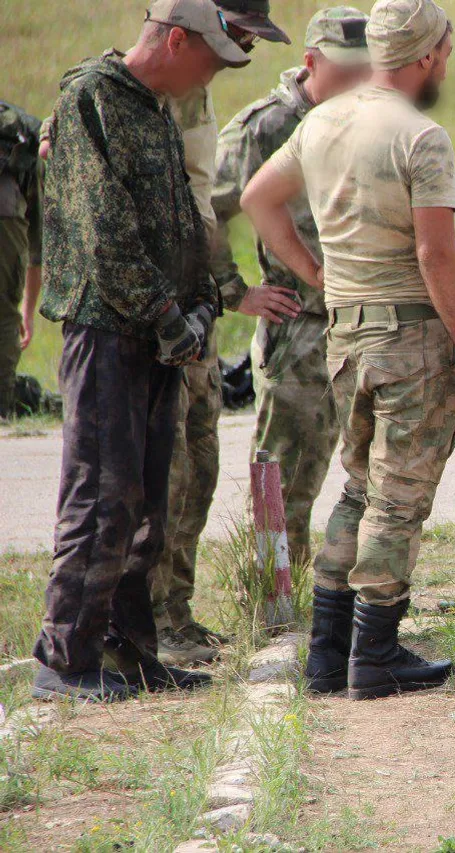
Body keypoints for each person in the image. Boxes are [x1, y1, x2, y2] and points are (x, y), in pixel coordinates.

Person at [242, 0, 455, 700]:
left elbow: (259, 198)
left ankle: (329, 655)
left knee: (359, 487)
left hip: (345, 339)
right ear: (425, 56)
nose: (446, 68)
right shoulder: (421, 136)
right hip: (409, 339)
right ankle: (374, 657)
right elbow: (435, 254)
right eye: (445, 55)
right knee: (397, 499)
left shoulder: (322, 121)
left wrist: (315, 273)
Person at [31, 0, 252, 702]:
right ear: (176, 39)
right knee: (102, 495)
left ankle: (128, 651)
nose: (212, 74)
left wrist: (202, 299)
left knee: (146, 502)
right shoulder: (93, 98)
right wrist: (165, 312)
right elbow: (104, 230)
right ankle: (65, 658)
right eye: (209, 58)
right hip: (109, 329)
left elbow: (180, 216)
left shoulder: (155, 106)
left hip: (158, 332)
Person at [144, 0, 292, 668]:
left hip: (195, 316)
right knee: (169, 476)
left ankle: (176, 614)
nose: (245, 53)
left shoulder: (197, 92)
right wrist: (234, 292)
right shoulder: (149, 91)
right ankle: (152, 623)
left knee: (199, 470)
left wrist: (219, 295)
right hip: (161, 319)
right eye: (240, 36)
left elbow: (206, 204)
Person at [212, 6, 371, 593]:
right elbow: (204, 209)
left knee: (351, 475)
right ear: (310, 62)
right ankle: (272, 599)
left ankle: (330, 594)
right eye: (346, 70)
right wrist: (235, 292)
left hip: (357, 325)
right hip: (299, 328)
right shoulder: (266, 127)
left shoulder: (367, 119)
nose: (359, 81)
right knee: (280, 479)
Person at [0, 101, 42, 421]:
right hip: (6, 214)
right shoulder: (23, 136)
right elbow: (38, 245)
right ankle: (1, 408)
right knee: (4, 315)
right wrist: (26, 313)